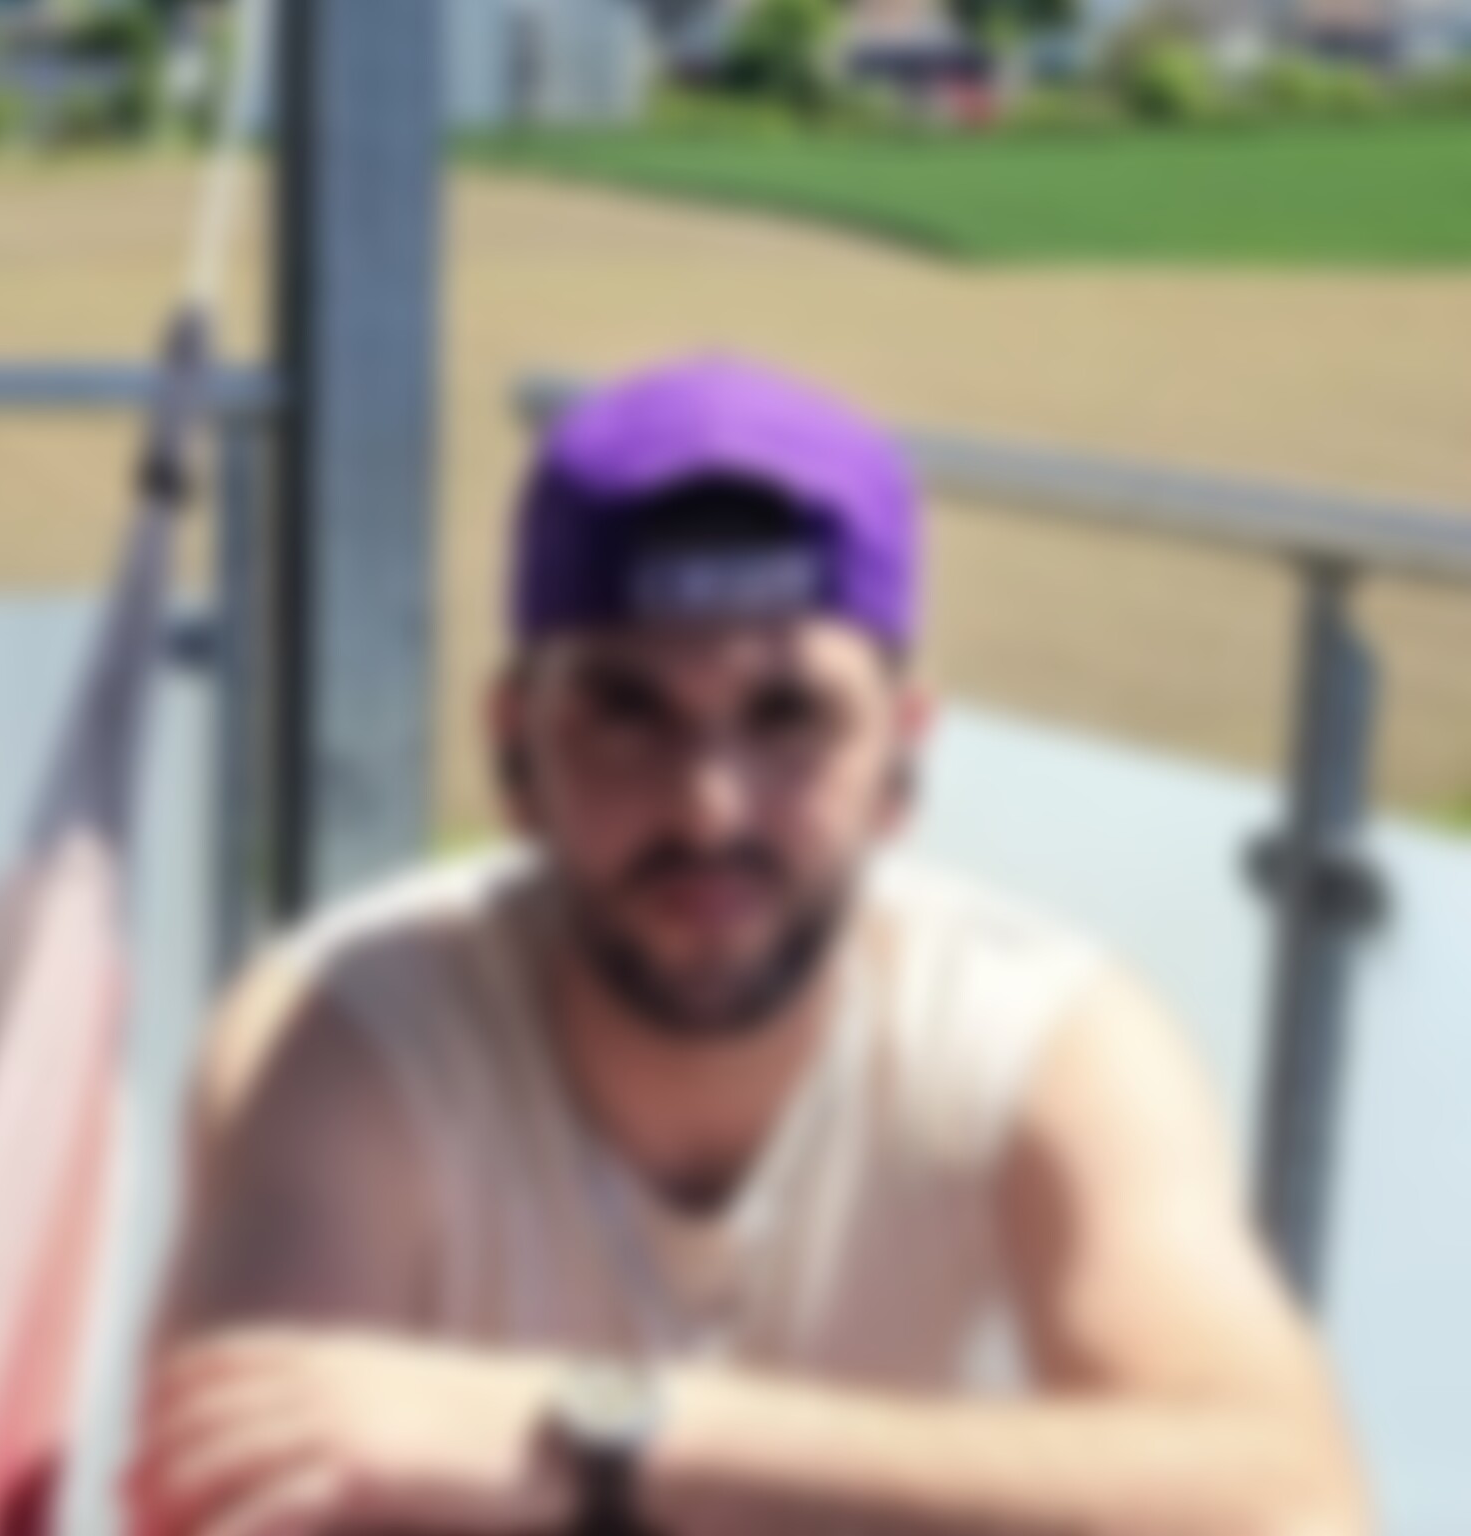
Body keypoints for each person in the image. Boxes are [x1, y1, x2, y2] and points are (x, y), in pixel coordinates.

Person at [128, 358, 1370, 1536]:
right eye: (628, 712)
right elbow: (223, 1492)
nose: (709, 810)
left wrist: (593, 1428)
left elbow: (1290, 1503)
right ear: (515, 749)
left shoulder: (1036, 1032)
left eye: (789, 716)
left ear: (901, 757)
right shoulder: (345, 1036)